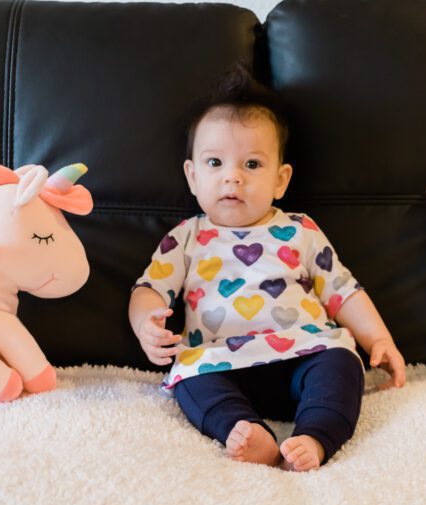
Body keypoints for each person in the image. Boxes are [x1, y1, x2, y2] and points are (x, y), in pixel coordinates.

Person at [129, 65, 406, 472]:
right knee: (188, 375)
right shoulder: (186, 237)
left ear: (281, 179)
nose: (232, 178)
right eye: (215, 163)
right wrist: (144, 324)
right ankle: (243, 429)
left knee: (342, 361)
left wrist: (379, 339)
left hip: (303, 352)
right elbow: (150, 288)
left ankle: (315, 436)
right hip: (219, 359)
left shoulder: (300, 230)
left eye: (252, 165)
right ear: (191, 176)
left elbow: (342, 289)